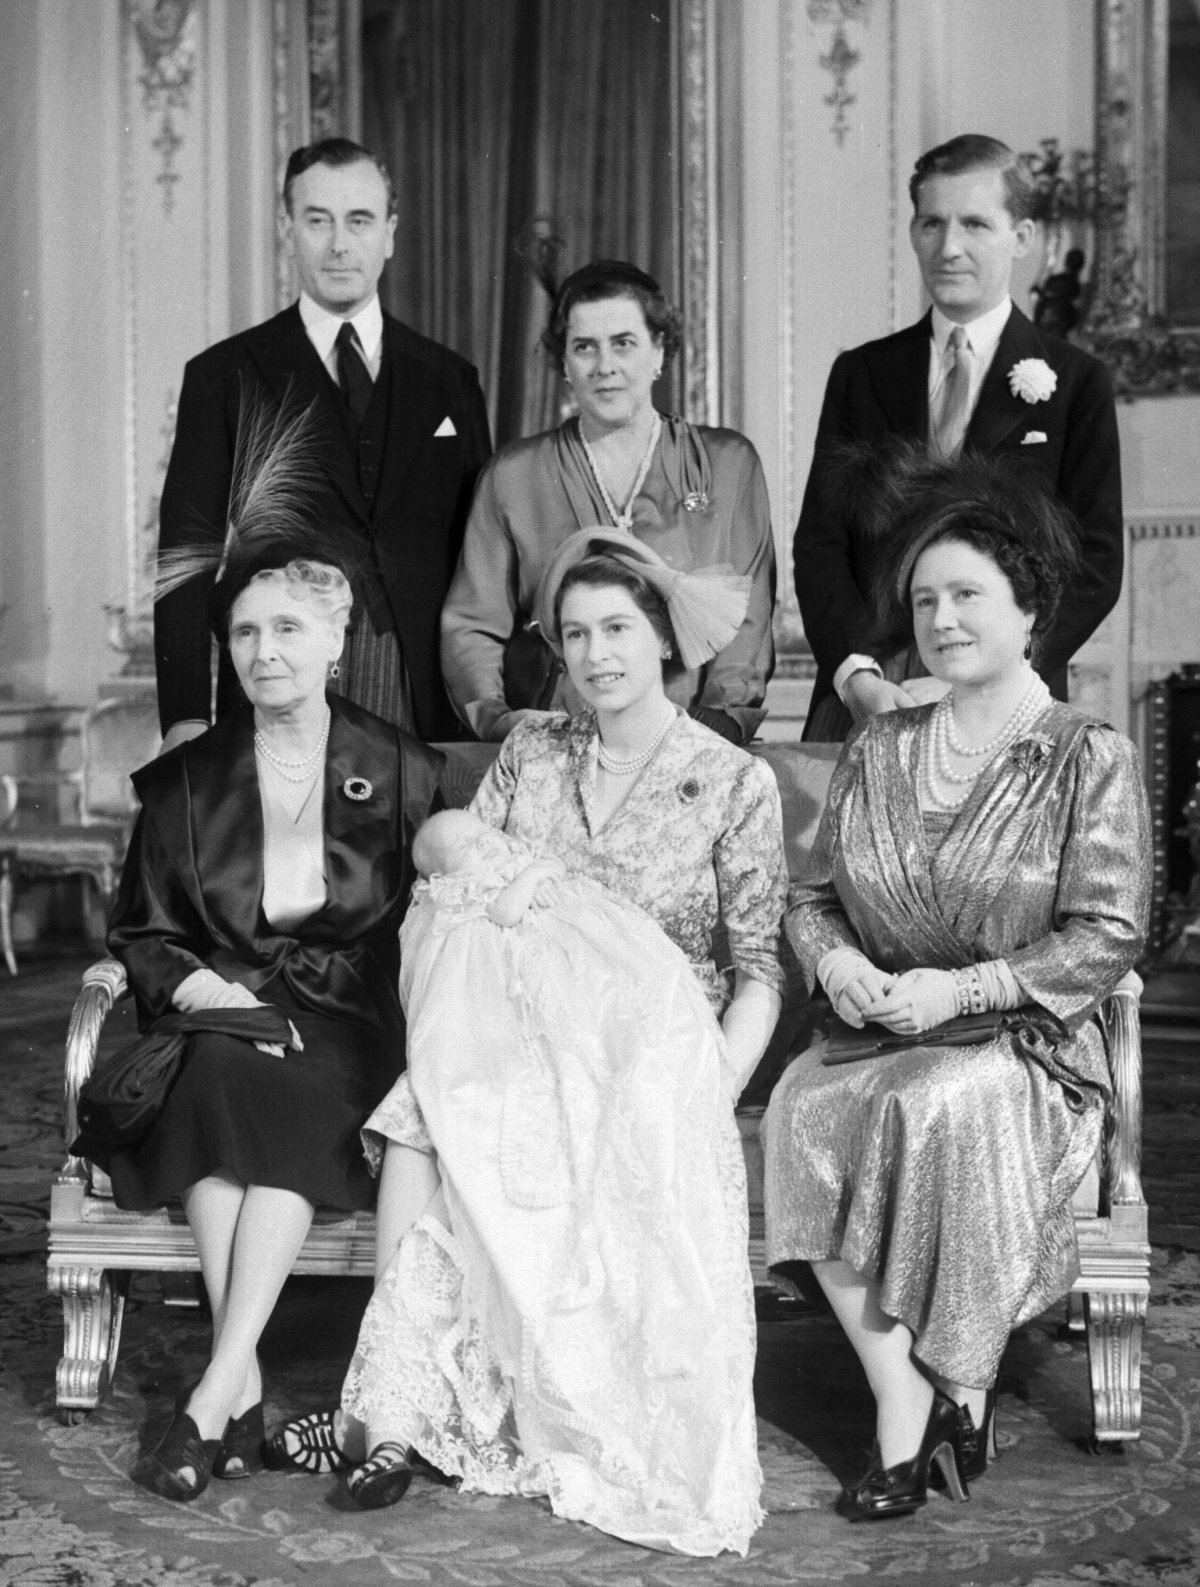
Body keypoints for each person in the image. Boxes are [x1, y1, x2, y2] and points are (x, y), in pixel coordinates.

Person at [271, 530, 788, 1556]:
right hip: (519, 1018)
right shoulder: (533, 751)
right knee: (427, 1109)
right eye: (577, 634)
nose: (597, 656)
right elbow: (458, 882)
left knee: (520, 1116)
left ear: (666, 638)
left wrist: (710, 1084)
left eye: (619, 631)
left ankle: (458, 1412)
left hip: (650, 1034)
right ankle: (393, 1407)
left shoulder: (732, 781)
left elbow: (759, 968)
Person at [763, 449, 1149, 1520]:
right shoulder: (882, 747)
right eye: (925, 600)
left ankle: (943, 1398)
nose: (941, 617)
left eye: (968, 594)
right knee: (801, 1106)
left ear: (1031, 613)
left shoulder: (1087, 754)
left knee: (937, 1105)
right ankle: (908, 1391)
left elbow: (1108, 933)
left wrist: (963, 993)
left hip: (1023, 1046)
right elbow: (812, 896)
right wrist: (838, 963)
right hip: (885, 1027)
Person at [76, 532, 443, 1503]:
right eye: (244, 633)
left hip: (345, 1023)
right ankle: (231, 1389)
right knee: (223, 1071)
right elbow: (145, 932)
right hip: (219, 1014)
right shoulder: (185, 781)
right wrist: (213, 994)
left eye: (287, 627)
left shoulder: (402, 768)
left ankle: (219, 1393)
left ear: (336, 636)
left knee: (275, 1086)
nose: (264, 650)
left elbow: (432, 928)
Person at [154, 136, 492, 751]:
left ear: (389, 231)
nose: (340, 244)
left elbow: (484, 561)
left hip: (421, 693)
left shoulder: (450, 379)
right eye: (318, 220)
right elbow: (186, 560)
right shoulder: (225, 376)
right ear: (288, 229)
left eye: (359, 221)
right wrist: (184, 717)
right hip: (276, 681)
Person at [794, 134, 1123, 740]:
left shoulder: (1077, 382)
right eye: (932, 224)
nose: (949, 247)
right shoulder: (862, 374)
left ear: (1021, 238)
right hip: (874, 694)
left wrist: (982, 671)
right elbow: (820, 545)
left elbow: (1095, 564)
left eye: (975, 224)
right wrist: (858, 675)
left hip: (1009, 697)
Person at [440, 259, 776, 746]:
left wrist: (718, 721)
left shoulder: (728, 464)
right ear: (564, 365)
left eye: (624, 343)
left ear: (659, 351)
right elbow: (471, 624)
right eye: (584, 348)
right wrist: (498, 719)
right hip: (556, 739)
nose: (605, 367)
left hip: (693, 739)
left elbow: (748, 616)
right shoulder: (514, 474)